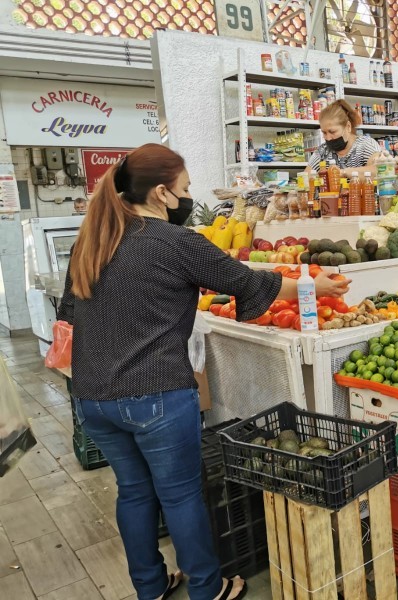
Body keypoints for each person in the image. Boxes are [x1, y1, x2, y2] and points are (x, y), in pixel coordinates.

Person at [57, 143, 350, 600]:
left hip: (93, 397)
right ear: (160, 193)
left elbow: (71, 312)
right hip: (154, 394)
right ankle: (208, 589)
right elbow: (249, 283)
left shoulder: (93, 241)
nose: (188, 198)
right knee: (178, 496)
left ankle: (151, 588)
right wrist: (314, 283)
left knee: (133, 493)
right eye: (185, 189)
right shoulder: (175, 243)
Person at [307, 99, 381, 176]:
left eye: (332, 132)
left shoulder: (367, 145)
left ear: (348, 127)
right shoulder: (322, 151)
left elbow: (378, 170)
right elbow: (306, 176)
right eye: (324, 133)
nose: (328, 138)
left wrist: (343, 173)